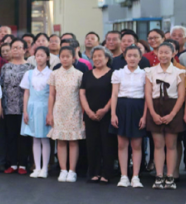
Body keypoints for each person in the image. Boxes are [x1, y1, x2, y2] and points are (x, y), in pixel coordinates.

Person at [144, 41, 185, 189]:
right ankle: (159, 175)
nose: (163, 55)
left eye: (167, 52)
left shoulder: (180, 72)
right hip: (155, 107)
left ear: (174, 54)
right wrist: (153, 113)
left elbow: (181, 96)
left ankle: (170, 176)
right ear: (157, 53)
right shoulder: (150, 71)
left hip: (173, 107)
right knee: (158, 144)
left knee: (171, 145)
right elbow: (148, 94)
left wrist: (172, 114)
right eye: (161, 52)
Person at [110, 45, 147, 188]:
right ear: (125, 57)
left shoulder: (145, 74)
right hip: (121, 108)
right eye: (129, 55)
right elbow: (114, 95)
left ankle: (135, 177)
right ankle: (124, 176)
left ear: (140, 58)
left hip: (138, 108)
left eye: (135, 55)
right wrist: (113, 114)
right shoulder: (118, 73)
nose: (132, 58)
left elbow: (147, 97)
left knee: (136, 145)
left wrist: (144, 116)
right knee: (122, 144)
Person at [47, 47, 85, 182]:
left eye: (68, 56)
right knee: (61, 141)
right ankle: (63, 170)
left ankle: (72, 171)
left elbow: (82, 96)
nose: (65, 59)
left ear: (73, 58)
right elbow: (51, 95)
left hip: (75, 110)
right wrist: (49, 113)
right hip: (59, 110)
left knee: (73, 141)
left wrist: (84, 114)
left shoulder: (79, 74)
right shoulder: (54, 74)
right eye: (62, 56)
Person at [79, 46, 115, 184]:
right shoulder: (87, 74)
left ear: (107, 58)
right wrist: (88, 111)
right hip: (90, 114)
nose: (97, 58)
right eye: (95, 56)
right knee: (92, 144)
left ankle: (107, 173)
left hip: (107, 114)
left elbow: (115, 94)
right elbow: (82, 93)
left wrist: (105, 109)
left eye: (100, 56)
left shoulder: (113, 74)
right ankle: (94, 172)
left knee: (107, 144)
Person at [0, 39, 33, 174]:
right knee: (11, 136)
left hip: (25, 106)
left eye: (19, 47)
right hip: (9, 106)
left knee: (24, 136)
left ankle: (23, 164)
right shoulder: (5, 67)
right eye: (14, 48)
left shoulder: (30, 67)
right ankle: (12, 163)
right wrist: (1, 106)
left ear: (24, 50)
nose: (16, 50)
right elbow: (1, 86)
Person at [20, 46, 52, 178]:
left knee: (45, 138)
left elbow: (53, 94)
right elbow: (26, 93)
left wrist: (50, 113)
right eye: (37, 55)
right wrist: (25, 111)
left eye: (42, 55)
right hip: (32, 107)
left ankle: (45, 168)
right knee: (35, 138)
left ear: (47, 57)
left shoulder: (51, 74)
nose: (39, 58)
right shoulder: (29, 73)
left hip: (45, 107)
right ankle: (37, 167)